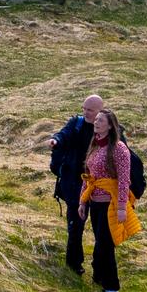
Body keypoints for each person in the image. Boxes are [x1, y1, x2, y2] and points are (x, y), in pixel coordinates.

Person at [82, 110, 145, 292]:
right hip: (95, 203)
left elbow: (124, 179)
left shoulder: (118, 148)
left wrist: (120, 208)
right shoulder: (94, 146)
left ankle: (112, 288)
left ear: (110, 126)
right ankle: (104, 284)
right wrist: (82, 202)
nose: (97, 123)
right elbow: (88, 177)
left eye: (101, 121)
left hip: (111, 204)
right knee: (101, 244)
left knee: (105, 246)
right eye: (96, 120)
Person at [49, 96, 101, 275]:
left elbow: (120, 149)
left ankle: (100, 269)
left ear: (99, 111)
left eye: (90, 110)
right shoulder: (76, 123)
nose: (86, 112)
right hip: (74, 184)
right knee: (75, 226)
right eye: (84, 108)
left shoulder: (107, 127)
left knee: (101, 230)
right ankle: (74, 265)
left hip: (99, 187)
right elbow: (64, 134)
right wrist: (56, 140)